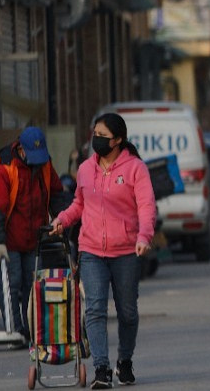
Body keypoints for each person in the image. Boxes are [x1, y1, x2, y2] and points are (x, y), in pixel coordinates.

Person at [52, 113, 156, 389]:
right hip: (92, 250)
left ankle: (124, 361)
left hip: (126, 251)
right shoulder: (86, 169)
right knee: (95, 309)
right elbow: (79, 204)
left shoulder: (135, 169)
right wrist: (62, 220)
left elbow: (146, 206)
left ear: (118, 139)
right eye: (94, 134)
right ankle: (101, 368)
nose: (96, 139)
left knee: (128, 312)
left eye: (103, 135)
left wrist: (144, 235)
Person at [0, 125, 67, 341]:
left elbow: (56, 194)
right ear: (21, 149)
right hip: (9, 240)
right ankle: (14, 331)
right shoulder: (3, 169)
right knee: (12, 283)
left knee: (33, 284)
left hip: (34, 238)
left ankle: (32, 330)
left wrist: (61, 219)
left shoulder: (44, 165)